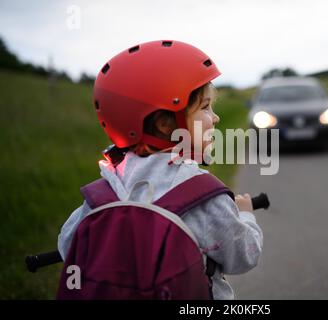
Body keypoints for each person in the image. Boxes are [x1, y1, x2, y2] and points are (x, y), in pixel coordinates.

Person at [57, 40, 263, 299]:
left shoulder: (104, 191)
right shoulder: (204, 195)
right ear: (166, 124)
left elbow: (67, 246)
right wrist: (246, 216)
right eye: (205, 107)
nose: (216, 117)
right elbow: (244, 256)